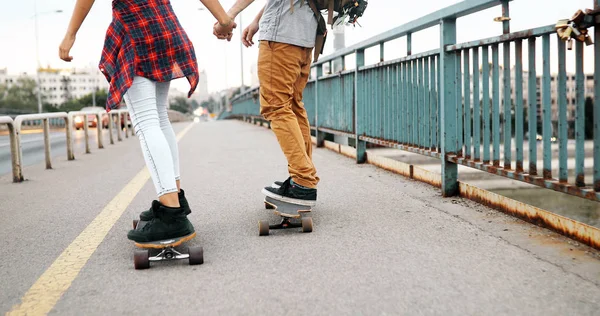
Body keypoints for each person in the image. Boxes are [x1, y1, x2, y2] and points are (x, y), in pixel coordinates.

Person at [59, 0, 236, 242]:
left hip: (136, 29)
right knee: (160, 117)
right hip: (166, 27)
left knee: (146, 122)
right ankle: (174, 198)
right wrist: (224, 19)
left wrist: (70, 34)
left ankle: (171, 212)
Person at [215, 0, 320, 207]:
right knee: (293, 106)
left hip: (281, 36)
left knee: (276, 106)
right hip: (305, 37)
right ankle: (304, 179)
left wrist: (227, 17)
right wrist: (257, 20)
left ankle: (303, 181)